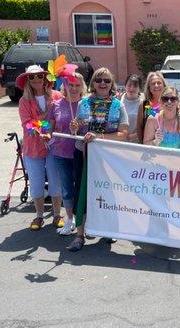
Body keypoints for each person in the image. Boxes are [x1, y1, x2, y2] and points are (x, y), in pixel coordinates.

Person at [67, 67, 129, 252]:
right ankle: (79, 235)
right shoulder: (83, 103)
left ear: (111, 85)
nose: (103, 83)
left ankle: (107, 229)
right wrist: (74, 128)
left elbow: (123, 134)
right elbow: (77, 130)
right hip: (83, 154)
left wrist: (99, 137)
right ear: (93, 83)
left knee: (107, 193)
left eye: (107, 81)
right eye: (99, 80)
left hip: (108, 157)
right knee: (81, 192)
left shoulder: (119, 105)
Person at [16, 65, 63, 231]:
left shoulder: (57, 96)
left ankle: (57, 214)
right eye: (32, 77)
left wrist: (46, 124)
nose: (36, 80)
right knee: (36, 183)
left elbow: (59, 119)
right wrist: (45, 120)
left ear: (44, 78)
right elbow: (27, 125)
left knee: (55, 181)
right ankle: (39, 215)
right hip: (33, 148)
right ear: (27, 80)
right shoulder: (24, 101)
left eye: (39, 76)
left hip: (55, 146)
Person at [46, 72, 88, 235]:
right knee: (67, 189)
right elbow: (47, 124)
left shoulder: (86, 104)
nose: (74, 88)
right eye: (71, 85)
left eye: (78, 85)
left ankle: (83, 221)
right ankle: (69, 220)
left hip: (82, 153)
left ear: (82, 87)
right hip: (61, 153)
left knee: (82, 188)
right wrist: (44, 132)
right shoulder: (56, 104)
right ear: (65, 85)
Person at [136, 72, 166, 143]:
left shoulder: (169, 103)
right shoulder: (144, 105)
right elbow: (139, 128)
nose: (156, 85)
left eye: (159, 83)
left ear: (164, 85)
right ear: (149, 87)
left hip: (167, 145)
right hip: (149, 147)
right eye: (153, 83)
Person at [121, 74, 144, 143]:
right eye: (129, 85)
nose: (131, 88)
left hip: (136, 142)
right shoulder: (118, 102)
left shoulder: (144, 104)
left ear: (140, 88)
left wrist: (135, 135)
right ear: (125, 86)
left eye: (135, 86)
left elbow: (146, 126)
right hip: (120, 141)